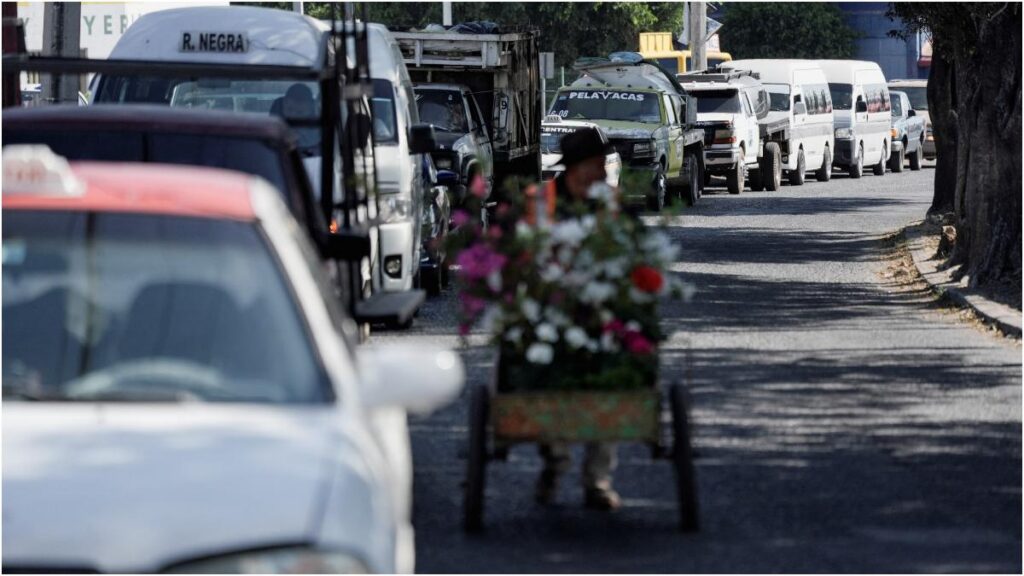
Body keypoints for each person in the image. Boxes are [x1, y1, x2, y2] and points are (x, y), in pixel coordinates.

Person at [528, 127, 623, 511]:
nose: (602, 171)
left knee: (612, 373)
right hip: (548, 306)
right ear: (578, 168)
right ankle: (555, 457)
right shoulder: (540, 202)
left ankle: (597, 478)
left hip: (599, 307)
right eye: (598, 164)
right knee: (539, 370)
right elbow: (525, 256)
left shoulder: (609, 202)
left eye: (603, 164)